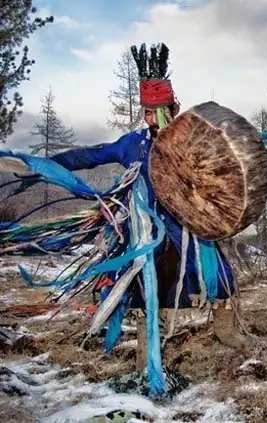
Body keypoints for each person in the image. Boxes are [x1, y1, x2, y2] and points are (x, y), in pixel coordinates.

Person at [48, 43, 249, 375]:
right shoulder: (132, 145)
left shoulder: (192, 139)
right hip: (145, 234)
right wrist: (47, 164)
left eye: (157, 110)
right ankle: (147, 359)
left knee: (221, 277)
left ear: (173, 107)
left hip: (188, 228)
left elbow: (223, 169)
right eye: (145, 112)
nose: (150, 118)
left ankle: (227, 332)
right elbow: (91, 155)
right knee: (145, 289)